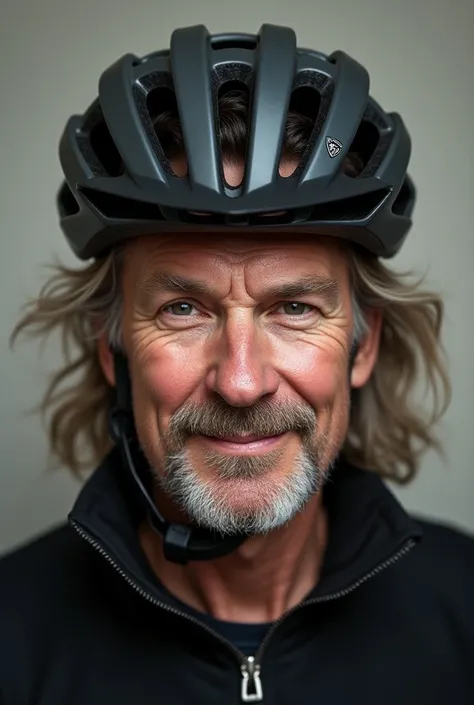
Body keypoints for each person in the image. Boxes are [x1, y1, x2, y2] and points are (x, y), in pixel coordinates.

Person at [1, 22, 473, 705]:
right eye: (182, 310)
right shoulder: (13, 639)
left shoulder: (463, 612)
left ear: (363, 346)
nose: (242, 381)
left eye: (296, 308)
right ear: (112, 350)